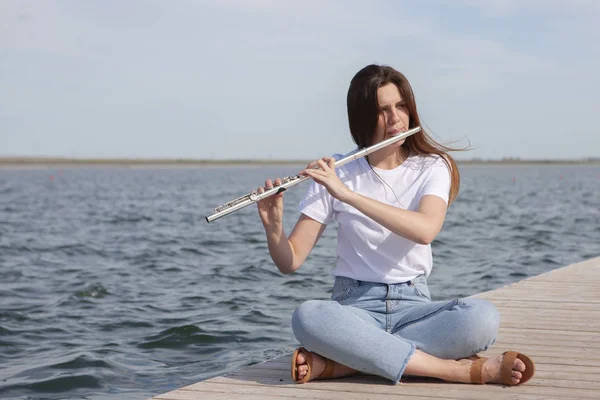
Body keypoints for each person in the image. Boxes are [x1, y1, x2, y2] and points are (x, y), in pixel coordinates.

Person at [255, 64, 534, 386]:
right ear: (361, 117)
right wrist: (273, 226)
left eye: (400, 106)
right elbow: (290, 261)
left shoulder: (432, 166)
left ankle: (348, 361)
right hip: (354, 306)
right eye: (381, 111)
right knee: (308, 316)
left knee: (482, 318)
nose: (395, 119)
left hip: (413, 305)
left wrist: (347, 194)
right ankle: (451, 370)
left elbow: (425, 229)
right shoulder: (335, 171)